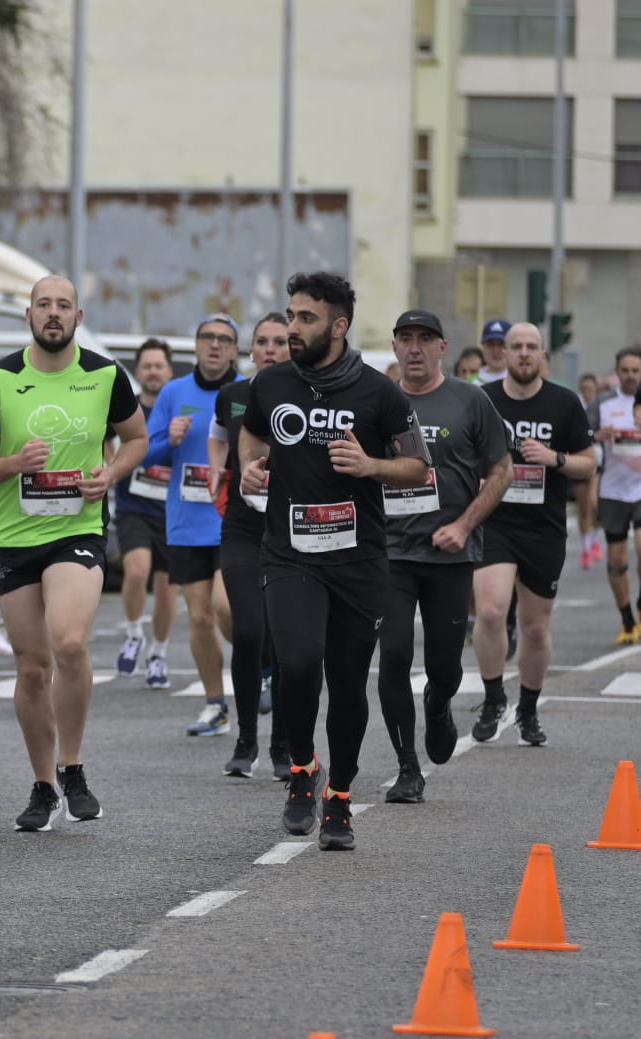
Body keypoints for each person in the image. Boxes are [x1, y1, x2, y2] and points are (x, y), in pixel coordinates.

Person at [239, 271, 431, 852]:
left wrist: (372, 466)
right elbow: (251, 438)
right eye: (290, 316)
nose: (291, 329)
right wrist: (252, 467)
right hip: (289, 553)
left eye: (305, 319)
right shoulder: (271, 383)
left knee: (348, 683)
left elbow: (418, 467)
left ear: (339, 326)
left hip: (358, 559)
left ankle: (340, 797)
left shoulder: (379, 392)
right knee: (297, 663)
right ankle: (302, 770)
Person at [0, 275, 146, 830]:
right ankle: (43, 786)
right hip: (15, 537)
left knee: (69, 642)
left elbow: (136, 438)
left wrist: (110, 474)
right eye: (44, 305)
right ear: (28, 316)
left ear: (78, 316)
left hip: (77, 529)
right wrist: (13, 465)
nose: (53, 314)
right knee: (31, 666)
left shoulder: (104, 375)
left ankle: (74, 767)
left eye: (63, 306)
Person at [375, 310, 511, 804]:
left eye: (424, 340)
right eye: (405, 339)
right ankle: (407, 767)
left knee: (446, 666)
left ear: (442, 348)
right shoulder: (376, 401)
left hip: (449, 555)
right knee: (392, 656)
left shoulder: (470, 401)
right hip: (389, 553)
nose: (414, 348)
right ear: (394, 347)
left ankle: (438, 704)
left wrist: (464, 524)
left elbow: (501, 471)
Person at [472, 323, 596, 747]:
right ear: (503, 354)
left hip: (544, 528)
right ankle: (492, 698)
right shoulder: (484, 400)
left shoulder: (564, 403)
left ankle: (527, 707)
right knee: (489, 611)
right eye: (516, 347)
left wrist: (554, 457)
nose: (524, 354)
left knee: (536, 628)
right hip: (495, 521)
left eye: (532, 347)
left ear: (543, 355)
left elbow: (589, 463)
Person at [143, 314, 239, 736]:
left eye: (224, 339)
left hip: (234, 520)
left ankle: (263, 661)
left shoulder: (245, 393)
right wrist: (171, 440)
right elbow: (145, 456)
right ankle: (215, 704)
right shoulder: (173, 392)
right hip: (186, 521)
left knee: (227, 609)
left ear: (235, 349)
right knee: (200, 619)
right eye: (207, 338)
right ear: (196, 345)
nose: (215, 345)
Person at [207, 313, 290, 779]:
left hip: (287, 528)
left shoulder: (305, 398)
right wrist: (216, 467)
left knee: (280, 638)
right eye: (263, 341)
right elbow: (219, 435)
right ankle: (245, 740)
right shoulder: (234, 395)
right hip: (241, 525)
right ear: (252, 350)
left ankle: (281, 745)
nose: (272, 349)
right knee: (249, 629)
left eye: (281, 341)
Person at [113, 340, 179, 689]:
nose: (153, 371)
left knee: (167, 589)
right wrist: (110, 467)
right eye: (147, 366)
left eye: (159, 366)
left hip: (171, 511)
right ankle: (134, 632)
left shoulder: (179, 409)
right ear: (138, 372)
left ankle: (159, 654)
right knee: (136, 572)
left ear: (169, 371)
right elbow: (107, 439)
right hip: (133, 507)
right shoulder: (128, 408)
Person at [593, 347, 641, 643]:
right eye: (625, 370)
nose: (631, 376)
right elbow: (580, 435)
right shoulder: (603, 403)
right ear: (617, 371)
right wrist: (597, 436)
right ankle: (627, 620)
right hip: (612, 490)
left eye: (636, 370)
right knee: (617, 559)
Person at [576, 371, 609, 569]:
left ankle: (595, 539)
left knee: (595, 505)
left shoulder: (602, 406)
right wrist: (596, 435)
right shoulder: (575, 406)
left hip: (599, 462)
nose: (588, 393)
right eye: (585, 389)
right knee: (583, 507)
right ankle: (586, 548)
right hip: (579, 460)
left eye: (591, 389)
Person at [478, 319, 510, 383]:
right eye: (490, 344)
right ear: (483, 347)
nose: (496, 351)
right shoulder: (470, 382)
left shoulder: (518, 381)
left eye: (502, 344)